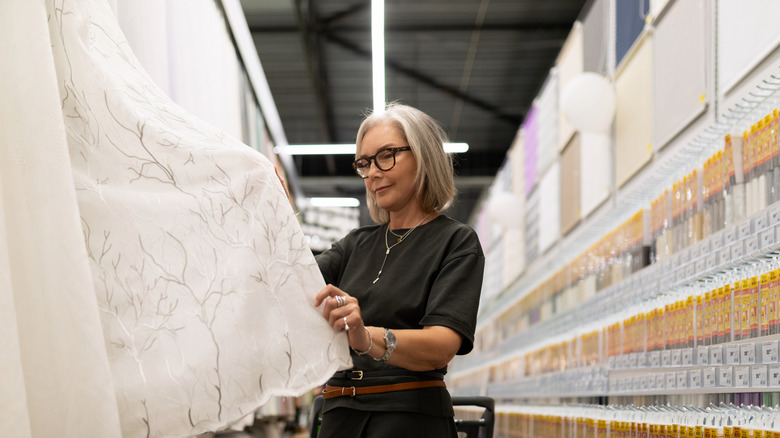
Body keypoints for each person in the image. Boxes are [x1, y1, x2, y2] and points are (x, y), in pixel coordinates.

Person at [312, 102, 485, 437]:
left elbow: (441, 346)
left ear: (424, 157)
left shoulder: (455, 242)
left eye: (386, 155)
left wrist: (366, 338)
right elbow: (291, 282)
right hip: (338, 415)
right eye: (364, 163)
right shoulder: (354, 245)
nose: (373, 171)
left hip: (408, 417)